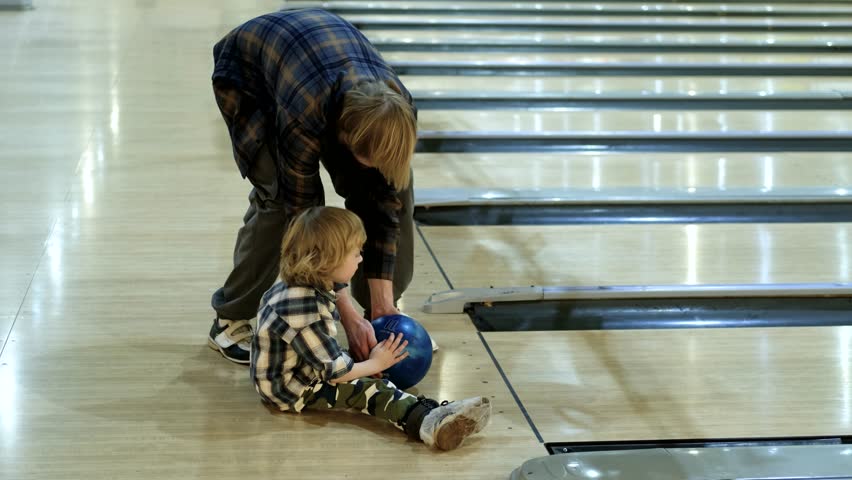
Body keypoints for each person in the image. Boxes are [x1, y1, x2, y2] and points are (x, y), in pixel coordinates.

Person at [207, 8, 418, 364]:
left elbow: (384, 207)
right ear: (344, 137)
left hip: (319, 58)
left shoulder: (399, 112)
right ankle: (230, 317)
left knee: (395, 192)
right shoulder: (305, 113)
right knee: (277, 202)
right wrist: (345, 309)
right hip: (250, 72)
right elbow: (305, 214)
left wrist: (382, 307)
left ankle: (382, 311)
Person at [251, 207, 490, 450]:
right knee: (370, 389)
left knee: (358, 364)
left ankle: (433, 413)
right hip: (292, 389)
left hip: (293, 368)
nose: (361, 259)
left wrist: (364, 363)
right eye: (356, 253)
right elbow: (336, 373)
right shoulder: (303, 308)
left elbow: (318, 346)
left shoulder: (304, 285)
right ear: (328, 259)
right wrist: (377, 364)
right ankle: (430, 424)